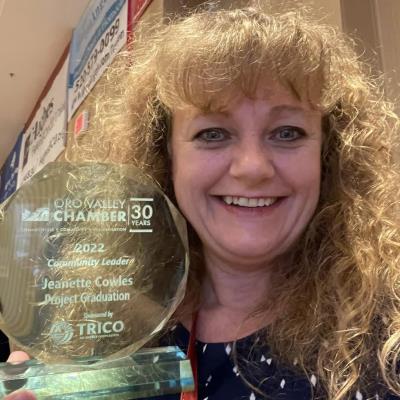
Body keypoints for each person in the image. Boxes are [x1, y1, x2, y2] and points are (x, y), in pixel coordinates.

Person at [5, 3, 400, 400]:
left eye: (287, 132)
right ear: (167, 156)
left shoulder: (389, 339)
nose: (252, 167)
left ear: (328, 154)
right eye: (213, 134)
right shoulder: (108, 331)